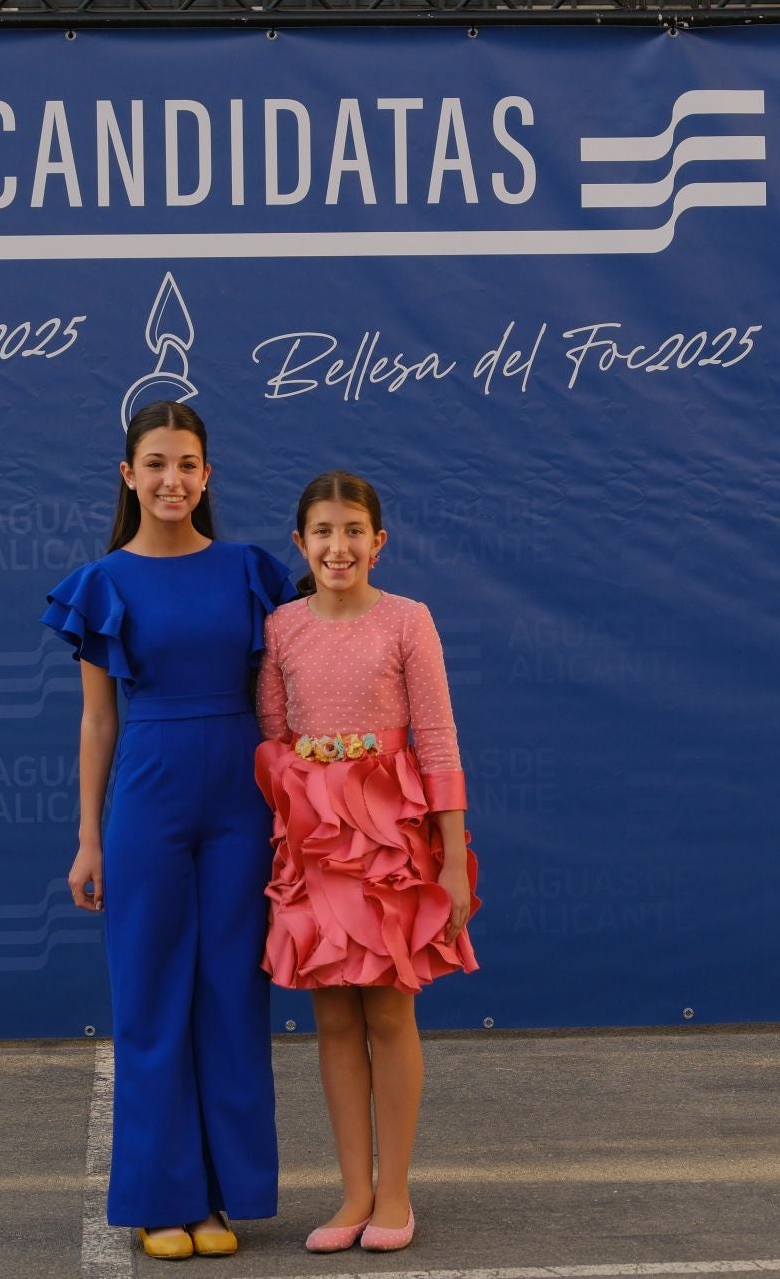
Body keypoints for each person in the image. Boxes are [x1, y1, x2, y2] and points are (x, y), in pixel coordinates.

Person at [40, 401, 296, 1261]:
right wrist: (88, 837)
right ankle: (161, 1198)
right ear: (128, 475)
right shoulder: (101, 584)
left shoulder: (248, 571)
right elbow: (97, 724)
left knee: (230, 993)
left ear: (207, 476)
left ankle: (219, 1199)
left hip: (240, 798)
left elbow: (280, 698)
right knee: (150, 997)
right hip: (148, 796)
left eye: (187, 464)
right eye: (155, 464)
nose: (171, 480)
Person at [253, 470, 480, 1254]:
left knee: (388, 1011)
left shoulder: (408, 622)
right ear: (301, 543)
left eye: (353, 532)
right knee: (332, 1019)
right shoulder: (282, 628)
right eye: (323, 532)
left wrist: (452, 860)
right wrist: (301, 807)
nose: (337, 546)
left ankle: (395, 1192)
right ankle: (351, 1191)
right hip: (314, 842)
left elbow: (440, 740)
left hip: (390, 839)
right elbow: (273, 736)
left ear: (378, 544)